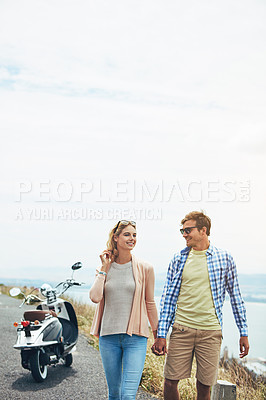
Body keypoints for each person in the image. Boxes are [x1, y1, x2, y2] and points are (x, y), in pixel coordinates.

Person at [152, 211, 249, 400]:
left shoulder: (224, 259)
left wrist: (243, 332)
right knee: (170, 381)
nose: (184, 234)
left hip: (210, 332)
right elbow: (168, 299)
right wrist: (161, 335)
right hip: (181, 329)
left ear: (203, 230)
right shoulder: (178, 259)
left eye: (188, 230)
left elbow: (236, 297)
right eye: (182, 230)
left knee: (204, 386)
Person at [90, 220, 158, 400]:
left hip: (135, 338)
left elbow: (149, 302)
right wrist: (104, 269)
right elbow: (95, 297)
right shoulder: (104, 267)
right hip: (108, 337)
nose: (132, 238)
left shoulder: (146, 268)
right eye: (127, 234)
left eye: (134, 235)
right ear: (116, 237)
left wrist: (158, 334)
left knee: (128, 395)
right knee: (114, 393)